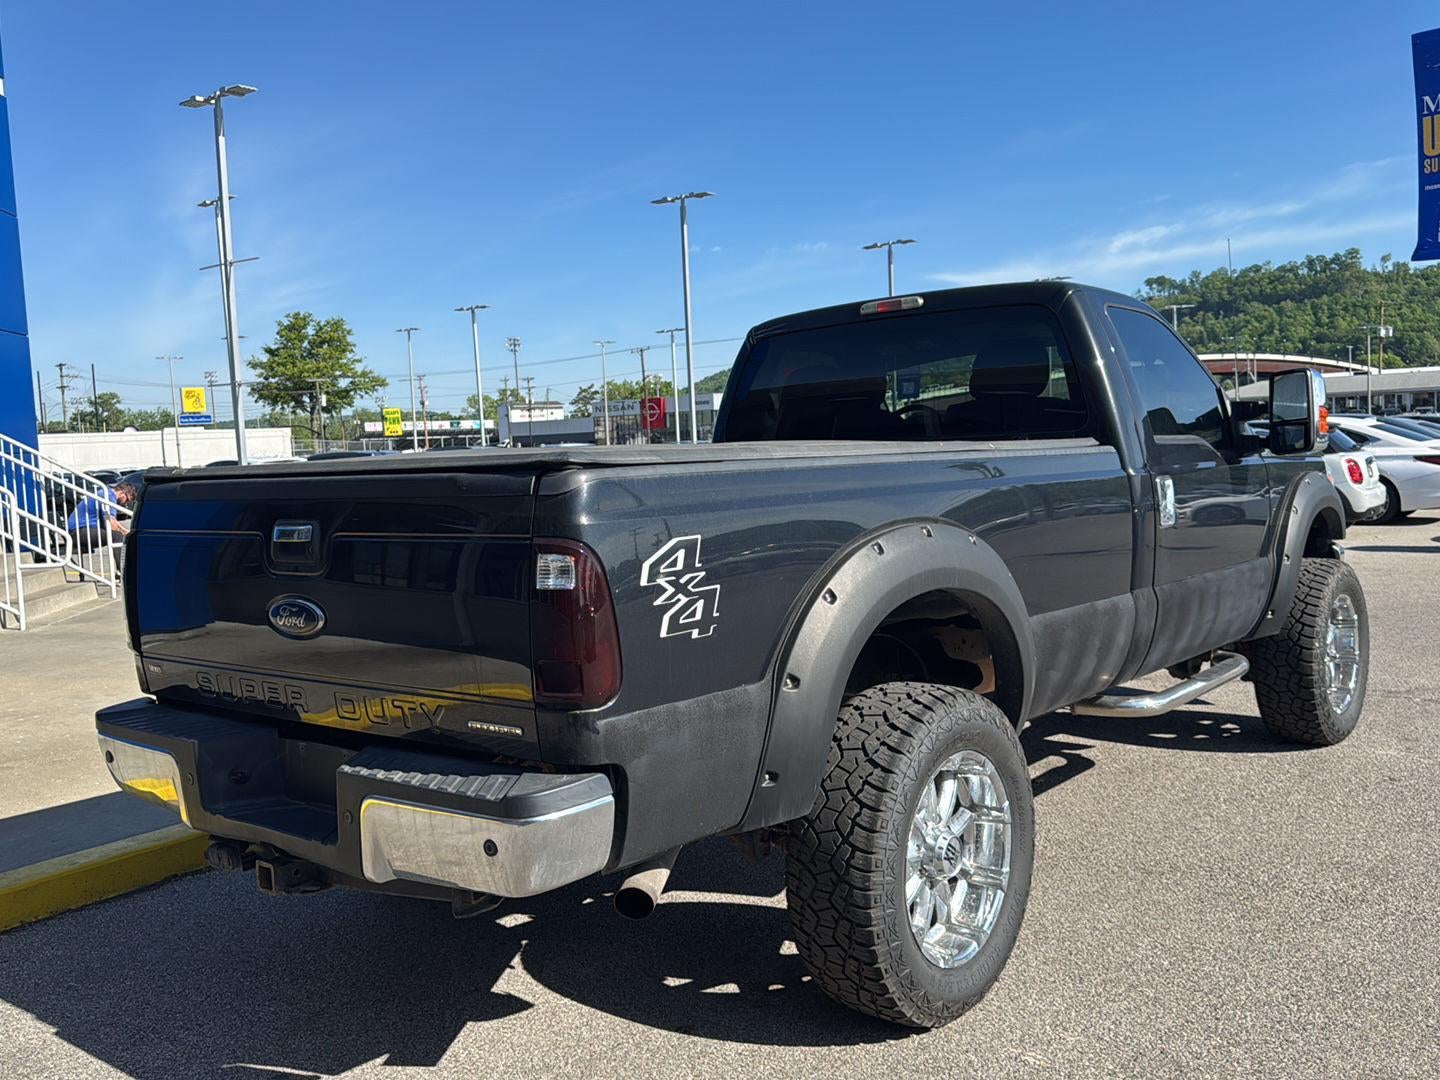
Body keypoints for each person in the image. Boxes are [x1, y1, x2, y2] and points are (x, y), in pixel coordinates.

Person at [65, 481, 135, 557]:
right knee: (117, 536)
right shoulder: (108, 496)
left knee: (119, 534)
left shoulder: (105, 493)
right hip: (78, 532)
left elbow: (111, 520)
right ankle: (124, 568)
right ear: (122, 494)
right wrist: (125, 533)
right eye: (127, 500)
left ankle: (125, 565)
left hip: (78, 531)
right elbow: (111, 524)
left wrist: (126, 531)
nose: (126, 504)